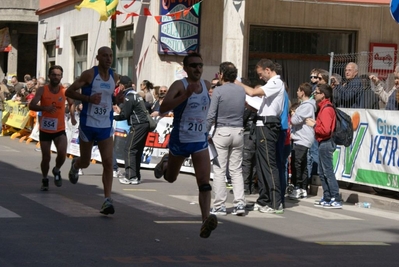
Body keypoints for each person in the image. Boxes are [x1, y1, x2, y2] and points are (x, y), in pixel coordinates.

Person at [153, 52, 217, 238]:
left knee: (204, 183)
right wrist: (185, 95)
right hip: (180, 140)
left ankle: (205, 220)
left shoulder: (206, 85)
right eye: (194, 65)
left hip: (199, 142)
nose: (198, 69)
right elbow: (163, 108)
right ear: (186, 69)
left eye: (200, 65)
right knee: (171, 178)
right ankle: (166, 162)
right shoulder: (179, 85)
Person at [65, 46, 119, 215]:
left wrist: (118, 99)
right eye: (105, 56)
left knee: (108, 162)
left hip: (105, 126)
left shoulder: (114, 76)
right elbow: (69, 91)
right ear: (98, 57)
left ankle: (107, 199)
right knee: (86, 162)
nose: (108, 59)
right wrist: (88, 98)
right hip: (88, 124)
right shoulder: (89, 74)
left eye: (110, 56)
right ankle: (76, 165)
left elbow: (110, 97)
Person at [236, 58, 285, 214]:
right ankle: (264, 199)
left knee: (269, 165)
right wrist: (247, 102)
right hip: (261, 125)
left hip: (268, 126)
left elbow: (252, 92)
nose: (260, 78)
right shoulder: (271, 85)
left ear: (268, 70)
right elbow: (260, 105)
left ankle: (276, 202)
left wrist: (236, 83)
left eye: (260, 74)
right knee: (261, 165)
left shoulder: (276, 83)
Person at [206, 61, 246, 216]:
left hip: (222, 130)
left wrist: (205, 130)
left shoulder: (218, 91)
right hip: (238, 131)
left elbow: (211, 114)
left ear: (221, 75)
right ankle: (239, 204)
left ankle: (220, 205)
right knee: (236, 170)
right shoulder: (241, 91)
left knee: (219, 170)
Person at [28, 65, 73, 191]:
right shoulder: (42, 90)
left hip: (59, 129)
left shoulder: (64, 91)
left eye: (58, 75)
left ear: (61, 77)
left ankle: (57, 169)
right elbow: (31, 105)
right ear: (49, 76)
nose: (56, 77)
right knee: (46, 157)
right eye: (53, 75)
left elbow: (72, 103)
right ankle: (44, 178)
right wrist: (44, 108)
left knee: (62, 154)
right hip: (45, 129)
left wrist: (73, 115)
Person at [305, 84, 342, 209]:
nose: (314, 94)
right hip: (323, 142)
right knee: (322, 172)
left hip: (326, 142)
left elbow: (325, 130)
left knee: (327, 171)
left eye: (317, 92)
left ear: (323, 95)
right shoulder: (323, 107)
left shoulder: (326, 109)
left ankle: (335, 197)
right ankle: (327, 197)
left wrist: (314, 125)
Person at [114, 75, 150, 185]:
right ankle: (136, 176)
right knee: (136, 151)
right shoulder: (136, 94)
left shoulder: (129, 96)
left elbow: (125, 115)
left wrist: (112, 116)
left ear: (122, 85)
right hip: (144, 125)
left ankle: (130, 177)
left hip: (138, 125)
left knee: (129, 149)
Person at [289, 83, 316, 199]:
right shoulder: (304, 105)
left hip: (302, 138)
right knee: (302, 163)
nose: (297, 92)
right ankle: (303, 188)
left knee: (297, 163)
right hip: (301, 137)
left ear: (303, 92)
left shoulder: (306, 106)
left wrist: (295, 114)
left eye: (298, 90)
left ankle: (298, 187)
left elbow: (294, 120)